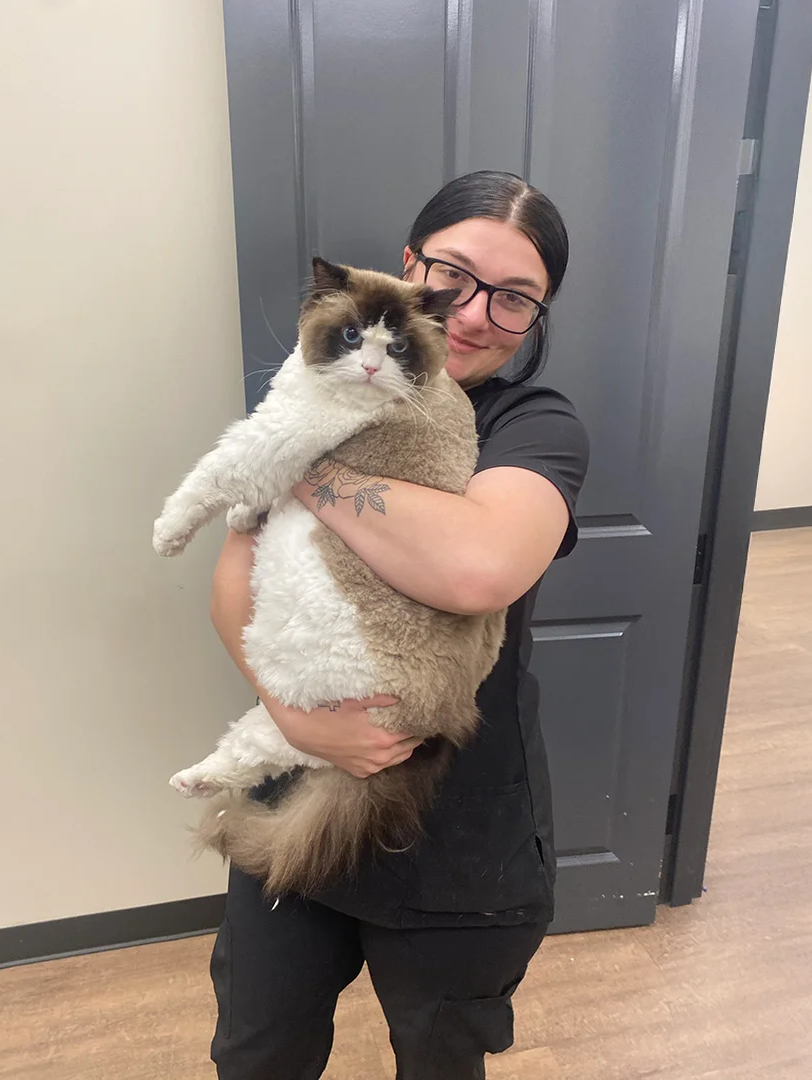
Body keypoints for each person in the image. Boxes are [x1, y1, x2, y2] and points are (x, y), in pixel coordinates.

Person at [206, 171, 590, 1080]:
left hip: (457, 833)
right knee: (257, 1052)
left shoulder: (534, 425)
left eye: (516, 299)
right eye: (454, 274)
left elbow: (476, 566)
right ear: (408, 266)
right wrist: (289, 714)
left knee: (440, 1061)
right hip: (299, 793)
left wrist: (300, 466)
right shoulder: (319, 395)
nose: (471, 313)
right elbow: (235, 580)